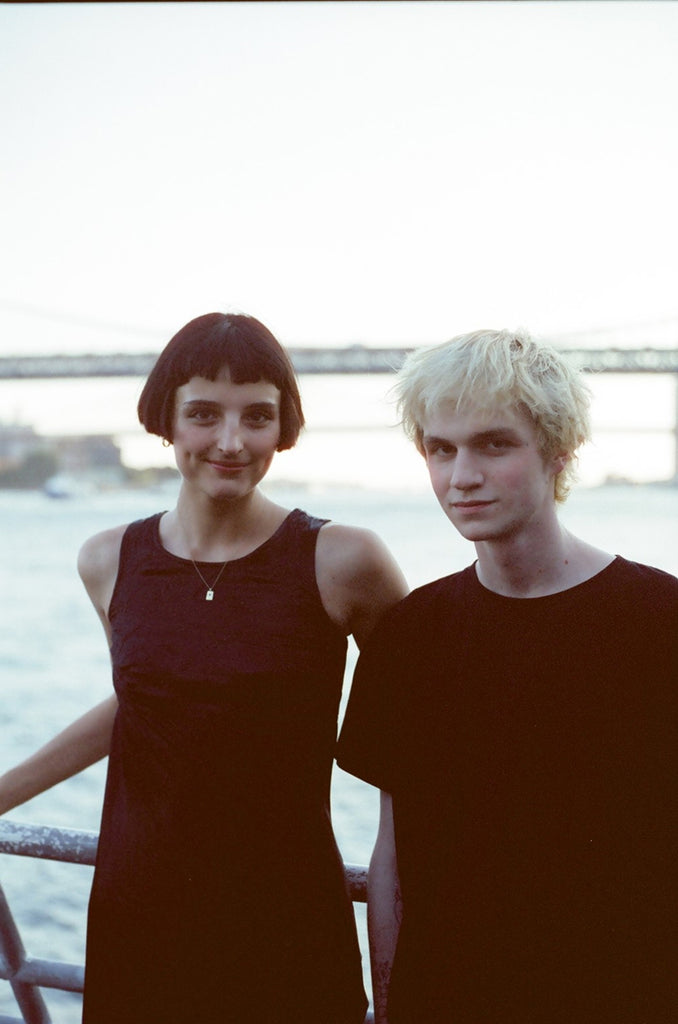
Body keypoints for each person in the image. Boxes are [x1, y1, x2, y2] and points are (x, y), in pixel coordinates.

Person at [0, 312, 408, 1024]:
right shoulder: (106, 560)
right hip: (138, 909)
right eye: (203, 415)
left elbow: (424, 727)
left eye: (257, 417)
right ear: (165, 421)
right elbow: (146, 703)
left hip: (285, 920)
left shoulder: (345, 560)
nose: (230, 441)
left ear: (284, 429)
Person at [337, 328, 678, 1023]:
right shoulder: (410, 633)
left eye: (494, 444)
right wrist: (392, 1004)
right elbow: (391, 859)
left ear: (559, 451)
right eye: (441, 449)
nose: (462, 475)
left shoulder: (659, 620)